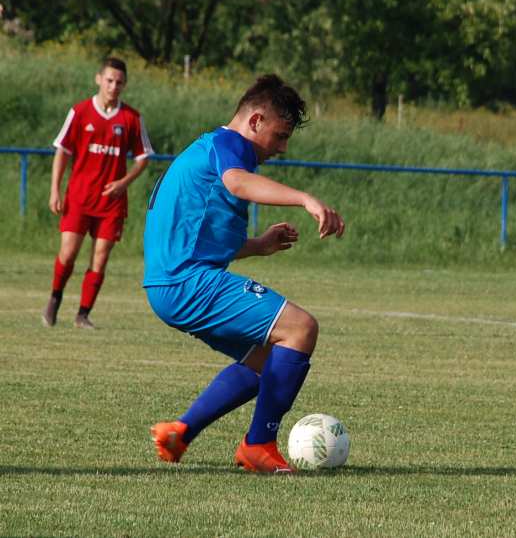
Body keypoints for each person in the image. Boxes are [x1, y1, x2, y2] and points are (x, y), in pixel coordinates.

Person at [143, 74, 345, 474]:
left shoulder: (208, 153)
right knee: (301, 328)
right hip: (188, 282)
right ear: (255, 121)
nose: (282, 148)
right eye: (280, 135)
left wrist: (257, 245)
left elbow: (200, 235)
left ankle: (180, 432)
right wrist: (306, 198)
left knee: (268, 356)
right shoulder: (227, 146)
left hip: (169, 285)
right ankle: (259, 445)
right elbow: (237, 185)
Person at [43, 56, 154, 329]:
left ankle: (83, 314)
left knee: (101, 256)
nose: (113, 86)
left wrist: (123, 183)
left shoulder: (131, 118)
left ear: (124, 85)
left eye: (119, 82)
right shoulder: (80, 112)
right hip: (79, 197)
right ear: (98, 79)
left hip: (111, 202)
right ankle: (54, 301)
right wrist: (54, 190)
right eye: (109, 80)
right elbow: (63, 151)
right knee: (68, 253)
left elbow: (143, 158)